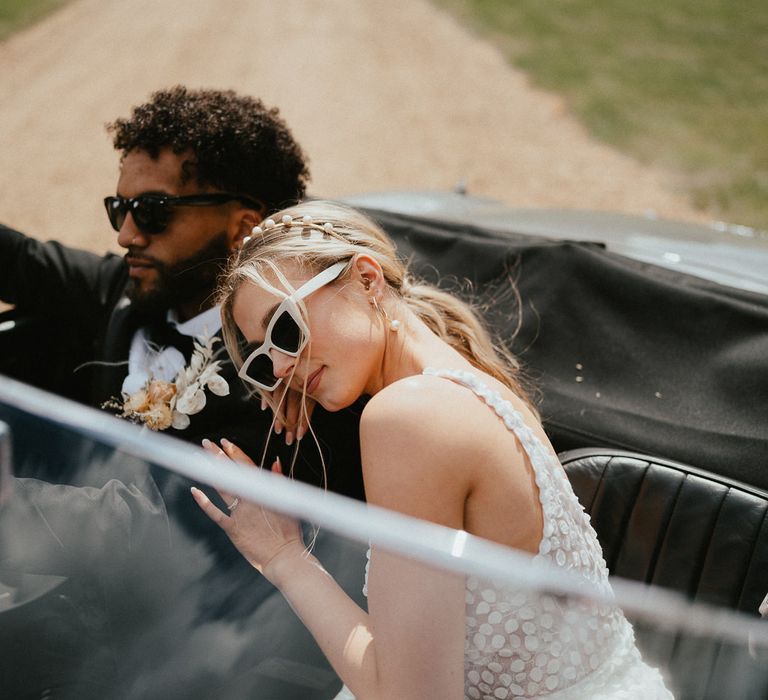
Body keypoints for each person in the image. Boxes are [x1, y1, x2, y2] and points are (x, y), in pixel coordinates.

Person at [193, 200, 674, 699]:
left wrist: (283, 556)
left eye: (286, 328)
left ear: (365, 279)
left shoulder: (409, 416)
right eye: (262, 357)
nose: (279, 367)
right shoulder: (468, 375)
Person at [0, 87, 365, 699]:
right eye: (118, 208)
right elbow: (21, 262)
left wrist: (7, 505)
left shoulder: (284, 369)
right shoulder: (123, 291)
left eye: (153, 210)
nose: (125, 235)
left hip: (205, 645)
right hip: (85, 603)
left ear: (241, 225)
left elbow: (164, 519)